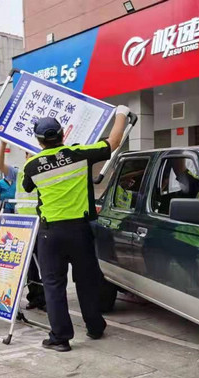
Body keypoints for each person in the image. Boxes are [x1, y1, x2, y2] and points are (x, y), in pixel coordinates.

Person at [21, 106, 130, 352]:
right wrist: (121, 114)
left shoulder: (32, 165)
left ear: (39, 140)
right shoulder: (78, 153)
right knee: (87, 281)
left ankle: (60, 338)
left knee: (53, 285)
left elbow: (27, 187)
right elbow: (113, 142)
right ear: (63, 134)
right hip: (80, 230)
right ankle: (94, 327)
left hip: (50, 234)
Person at [7, 142, 45, 310]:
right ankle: (35, 296)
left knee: (43, 263)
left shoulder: (43, 170)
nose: (29, 157)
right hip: (23, 224)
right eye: (27, 154)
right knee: (29, 264)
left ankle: (46, 298)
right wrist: (2, 144)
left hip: (40, 222)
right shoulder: (19, 172)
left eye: (32, 154)